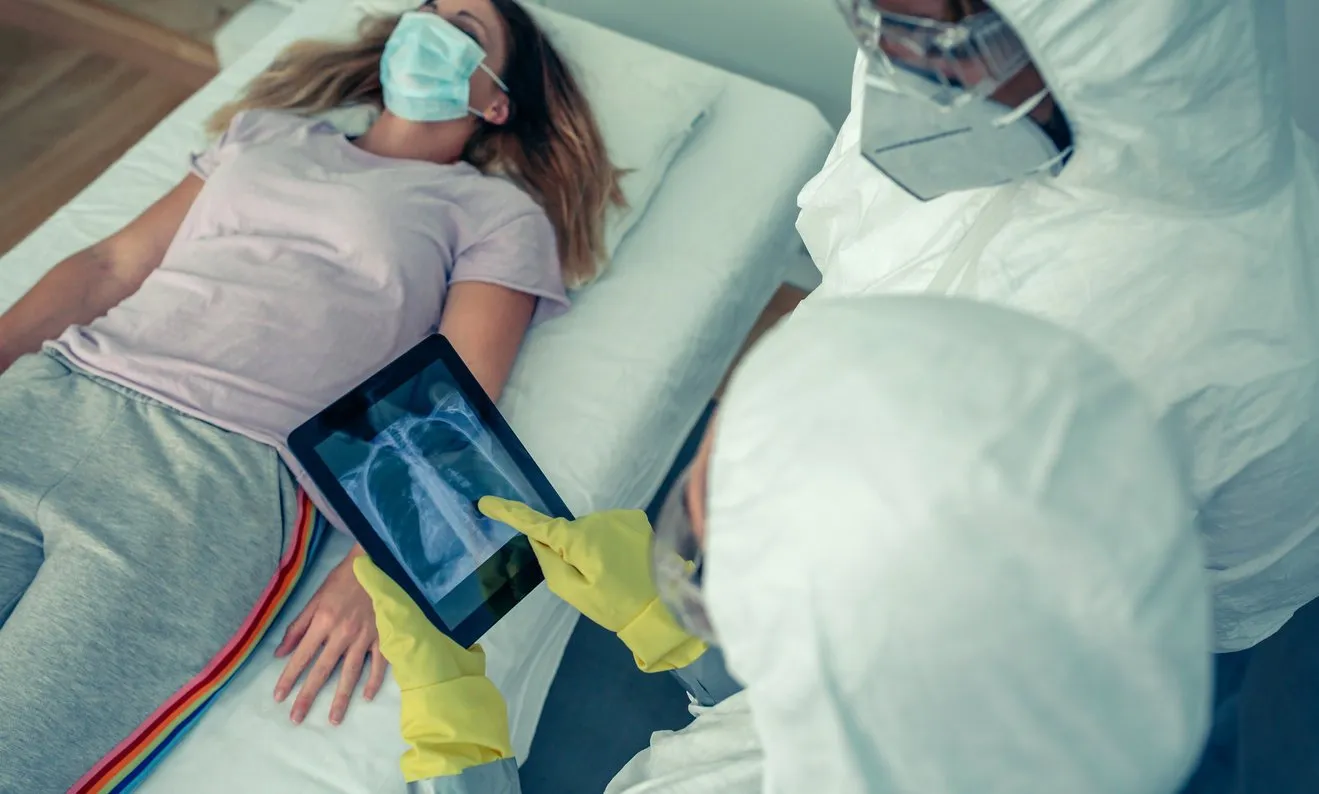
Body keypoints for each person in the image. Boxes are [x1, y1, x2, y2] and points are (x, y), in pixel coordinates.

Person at [0, 1, 620, 789]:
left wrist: (377, 568)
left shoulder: (494, 212)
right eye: (424, 9)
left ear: (495, 102)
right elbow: (111, 267)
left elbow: (455, 399)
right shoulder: (264, 134)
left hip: (218, 479)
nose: (425, 28)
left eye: (461, 29)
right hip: (54, 396)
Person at [354, 296, 1215, 793]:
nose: (684, 520)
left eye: (707, 506)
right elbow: (793, 727)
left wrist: (451, 740)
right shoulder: (1003, 703)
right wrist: (682, 641)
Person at [795, 2, 1319, 790]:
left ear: (1114, 39)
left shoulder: (1251, 331)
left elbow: (1223, 594)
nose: (888, 56)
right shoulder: (941, 92)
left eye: (924, 34)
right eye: (868, 18)